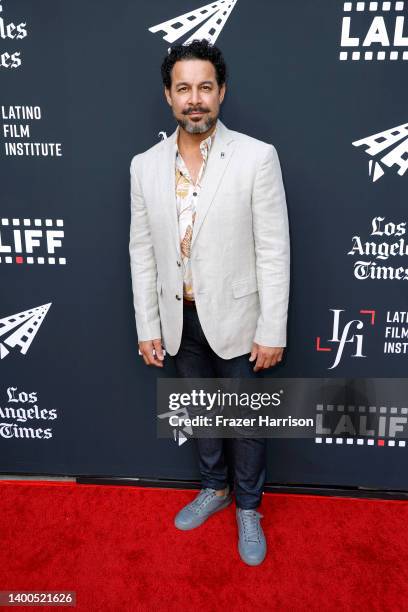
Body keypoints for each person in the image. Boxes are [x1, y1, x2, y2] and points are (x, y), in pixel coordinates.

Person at [129, 39, 290, 566]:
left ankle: (248, 506)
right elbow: (143, 252)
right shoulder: (145, 166)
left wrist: (273, 328)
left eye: (204, 87)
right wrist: (147, 324)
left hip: (241, 319)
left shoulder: (256, 156)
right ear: (167, 97)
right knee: (199, 414)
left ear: (221, 92)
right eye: (183, 89)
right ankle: (214, 488)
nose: (194, 99)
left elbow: (274, 249)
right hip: (180, 320)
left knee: (244, 423)